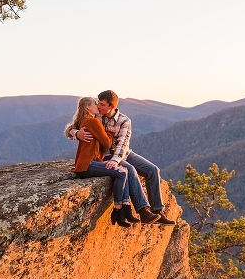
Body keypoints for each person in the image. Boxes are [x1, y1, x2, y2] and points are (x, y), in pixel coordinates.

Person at [70, 90, 175, 226]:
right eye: (98, 103)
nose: (99, 106)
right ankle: (143, 211)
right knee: (129, 170)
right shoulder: (96, 117)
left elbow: (123, 144)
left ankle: (158, 212)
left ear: (111, 107)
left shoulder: (124, 120)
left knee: (153, 170)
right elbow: (71, 129)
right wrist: (77, 133)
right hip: (105, 155)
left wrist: (116, 160)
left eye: (102, 104)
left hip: (122, 153)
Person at [65, 97, 137, 227]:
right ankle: (119, 209)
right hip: (88, 165)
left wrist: (76, 132)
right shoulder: (93, 122)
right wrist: (109, 132)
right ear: (88, 108)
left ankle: (123, 209)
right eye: (95, 104)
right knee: (122, 173)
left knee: (123, 171)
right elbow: (107, 143)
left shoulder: (85, 120)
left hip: (86, 164)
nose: (98, 106)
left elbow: (71, 129)